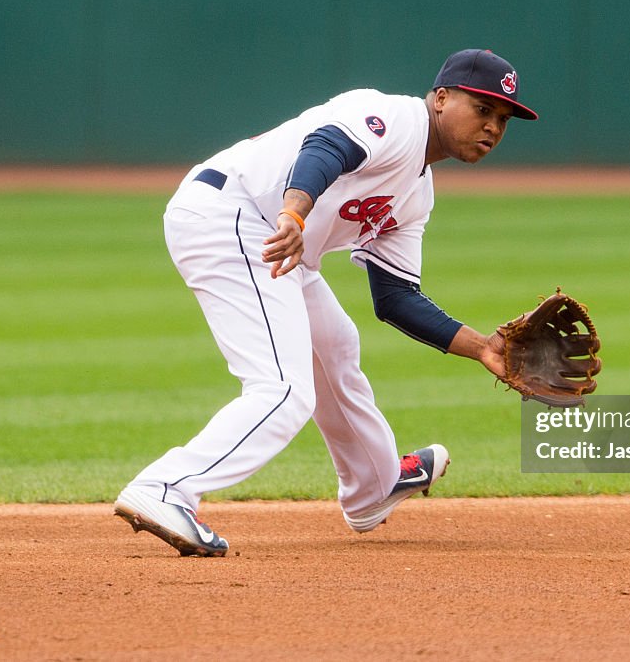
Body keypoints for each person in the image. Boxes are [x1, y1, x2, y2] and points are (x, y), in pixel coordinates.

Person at [113, 49, 539, 557]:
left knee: (336, 344)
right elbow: (326, 148)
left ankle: (373, 488)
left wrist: (484, 347)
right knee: (284, 389)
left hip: (272, 236)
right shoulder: (394, 119)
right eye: (483, 109)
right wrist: (294, 214)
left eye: (503, 119)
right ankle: (166, 487)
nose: (492, 126)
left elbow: (396, 298)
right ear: (442, 98)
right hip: (235, 214)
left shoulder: (416, 195)